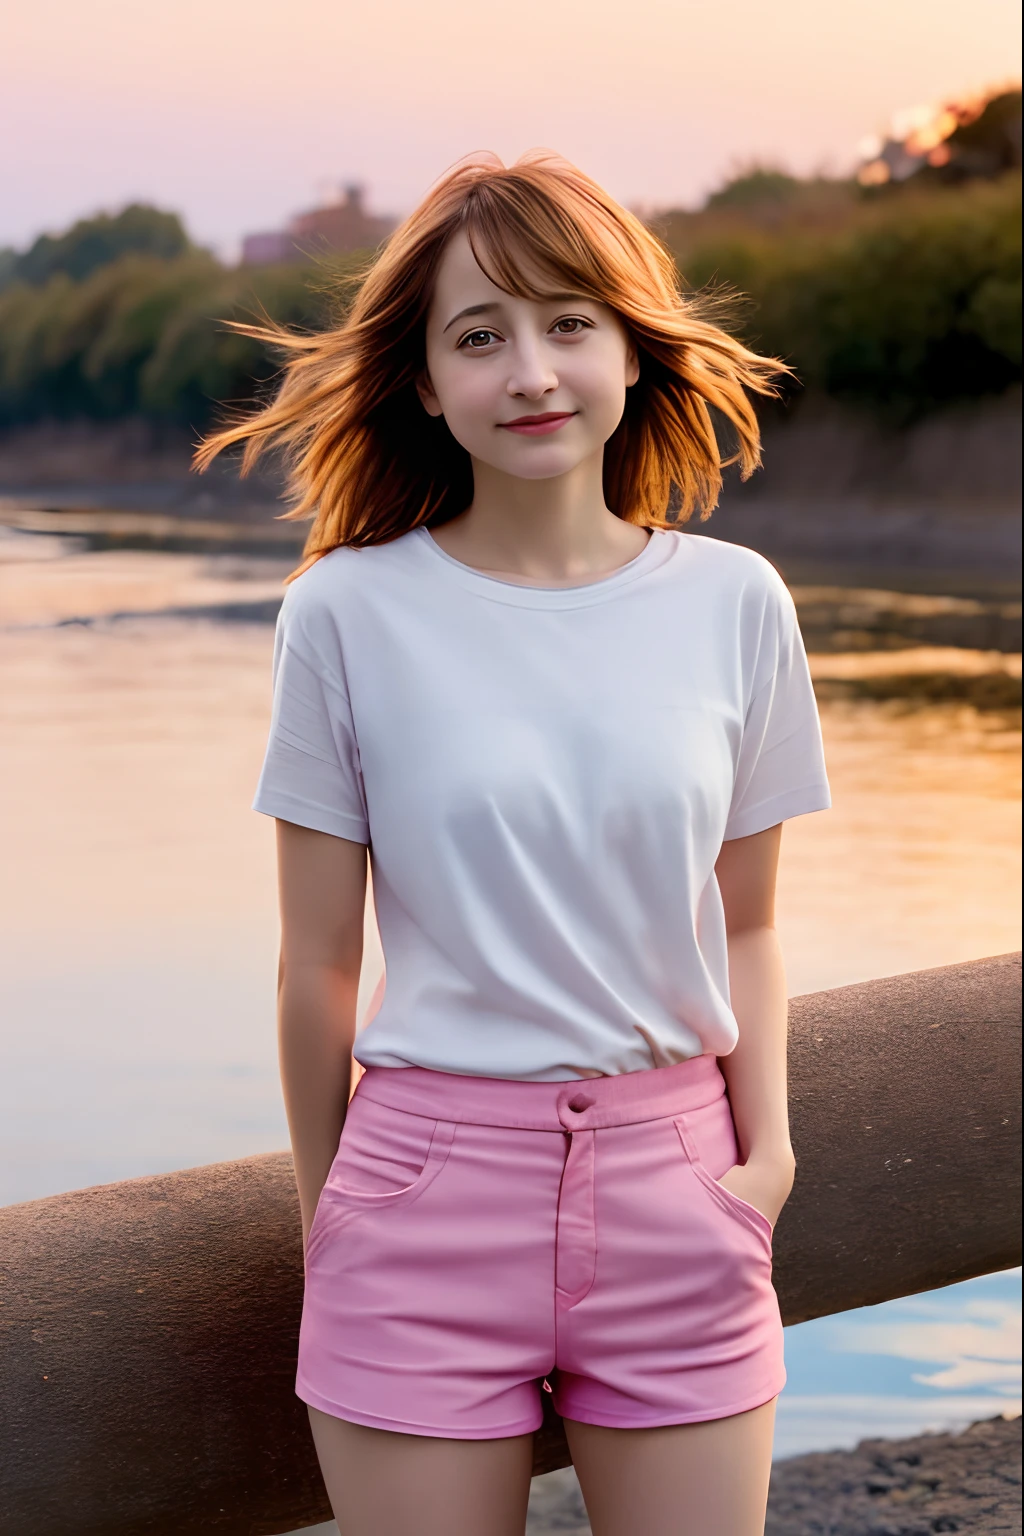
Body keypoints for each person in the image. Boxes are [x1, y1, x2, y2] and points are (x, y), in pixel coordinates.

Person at [196, 150, 831, 1536]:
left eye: (567, 323)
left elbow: (752, 923)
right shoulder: (346, 617)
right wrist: (334, 1219)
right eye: (479, 337)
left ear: (628, 346)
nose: (531, 370)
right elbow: (318, 963)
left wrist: (764, 1158)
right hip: (420, 1198)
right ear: (424, 382)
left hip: (683, 1184)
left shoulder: (735, 603)